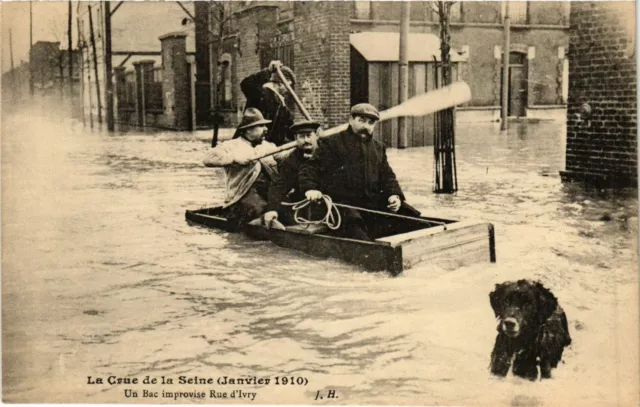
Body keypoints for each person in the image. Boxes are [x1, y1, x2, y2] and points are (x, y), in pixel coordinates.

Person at [299, 103, 421, 241]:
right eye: (361, 121)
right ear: (351, 120)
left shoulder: (378, 147)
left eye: (371, 122)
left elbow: (387, 176)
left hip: (371, 205)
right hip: (342, 206)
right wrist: (310, 189)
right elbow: (310, 167)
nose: (366, 126)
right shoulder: (331, 143)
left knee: (411, 216)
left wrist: (394, 196)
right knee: (356, 228)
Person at [203, 108, 281, 226]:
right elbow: (207, 158)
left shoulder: (268, 146)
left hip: (267, 193)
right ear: (248, 130)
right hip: (241, 197)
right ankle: (263, 225)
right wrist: (233, 158)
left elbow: (283, 156)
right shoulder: (231, 146)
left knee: (285, 208)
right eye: (261, 126)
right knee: (258, 209)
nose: (266, 129)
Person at [263, 120, 322, 228]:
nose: (306, 140)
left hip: (329, 200)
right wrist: (272, 209)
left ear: (317, 135)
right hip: (304, 202)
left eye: (309, 135)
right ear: (296, 139)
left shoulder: (329, 152)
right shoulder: (291, 160)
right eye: (301, 137)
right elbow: (279, 185)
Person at [240, 60, 295, 147]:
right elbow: (245, 84)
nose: (289, 89)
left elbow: (290, 127)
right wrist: (267, 71)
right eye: (288, 85)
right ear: (280, 83)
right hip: (250, 145)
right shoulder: (262, 93)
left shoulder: (281, 103)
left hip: (268, 147)